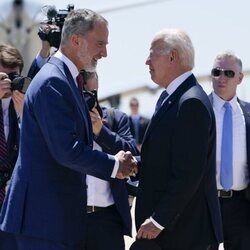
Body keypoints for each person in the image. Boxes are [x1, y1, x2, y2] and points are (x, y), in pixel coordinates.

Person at [0, 9, 137, 250]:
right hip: (42, 223)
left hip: (53, 221)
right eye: (100, 44)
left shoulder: (66, 79)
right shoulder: (54, 81)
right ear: (76, 40)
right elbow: (66, 149)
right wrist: (115, 165)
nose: (104, 53)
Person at [130, 28, 223, 250]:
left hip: (183, 235)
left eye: (152, 53)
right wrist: (134, 166)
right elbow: (166, 160)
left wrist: (158, 220)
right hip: (172, 234)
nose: (147, 61)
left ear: (172, 56)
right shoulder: (174, 98)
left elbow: (189, 173)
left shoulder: (190, 102)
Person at [82, 70, 139, 250]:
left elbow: (132, 155)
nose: (86, 99)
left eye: (90, 94)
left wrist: (101, 131)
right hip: (71, 218)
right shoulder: (65, 122)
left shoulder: (115, 118)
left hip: (107, 219)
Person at [209, 51, 250, 250]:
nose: (221, 78)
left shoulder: (248, 115)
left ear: (240, 78)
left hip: (241, 206)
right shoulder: (198, 110)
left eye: (229, 73)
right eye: (217, 72)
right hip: (205, 205)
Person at [0, 44, 25, 250]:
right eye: (2, 77)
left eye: (13, 76)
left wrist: (23, 114)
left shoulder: (26, 106)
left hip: (14, 209)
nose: (8, 82)